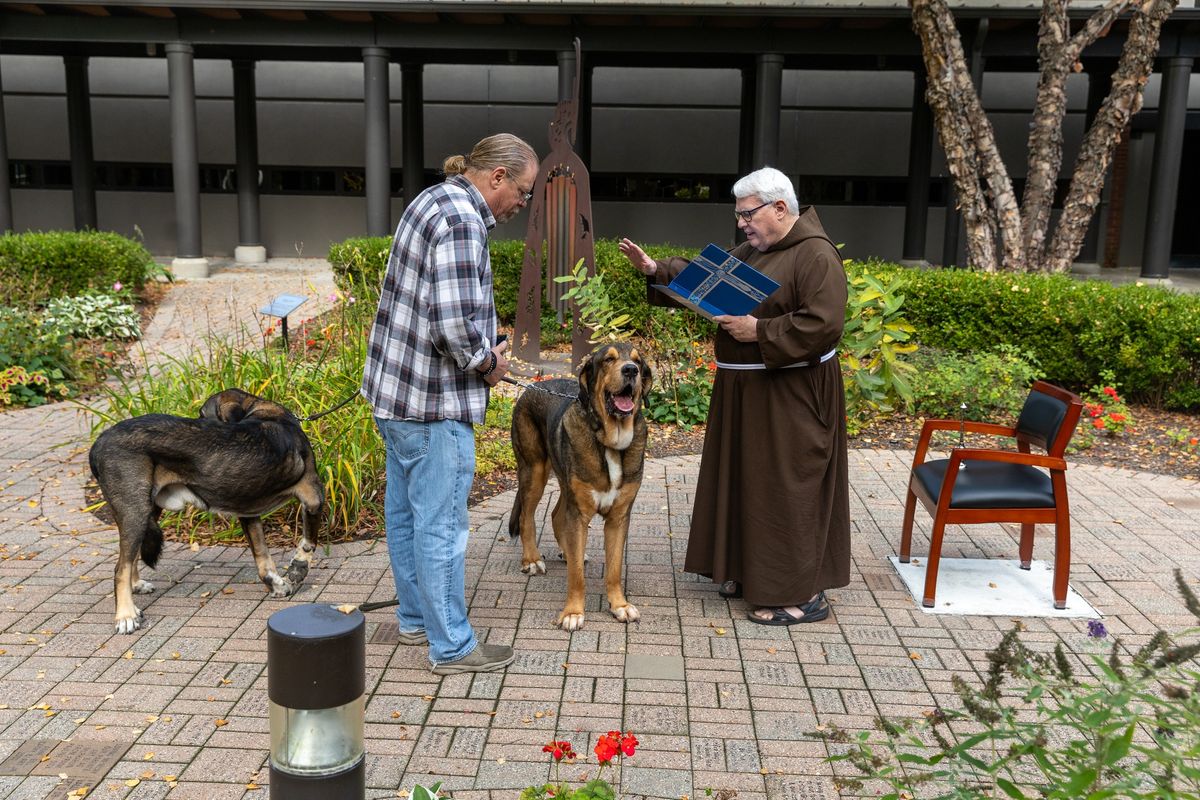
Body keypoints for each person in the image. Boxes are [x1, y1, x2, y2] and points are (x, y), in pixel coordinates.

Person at [618, 166, 850, 626]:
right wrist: (655, 269)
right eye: (739, 216)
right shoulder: (757, 249)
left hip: (792, 395)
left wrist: (759, 329)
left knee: (785, 487)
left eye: (748, 214)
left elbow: (824, 325)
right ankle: (747, 571)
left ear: (780, 208)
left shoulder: (815, 256)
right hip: (749, 389)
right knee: (748, 481)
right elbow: (708, 274)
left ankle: (799, 595)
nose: (742, 224)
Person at [362, 133, 538, 673]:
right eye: (524, 192)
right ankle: (453, 646)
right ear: (498, 177)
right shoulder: (464, 221)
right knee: (439, 524)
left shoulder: (433, 199)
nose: (522, 204)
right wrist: (492, 363)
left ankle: (417, 619)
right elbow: (454, 329)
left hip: (395, 396)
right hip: (434, 404)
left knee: (406, 516)